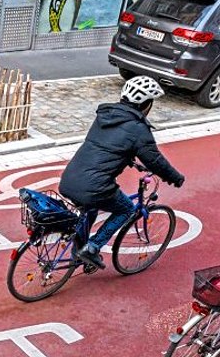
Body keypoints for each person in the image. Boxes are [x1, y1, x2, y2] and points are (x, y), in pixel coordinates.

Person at [59, 76, 186, 270]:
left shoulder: (104, 116)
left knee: (90, 209)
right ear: (146, 104)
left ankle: (77, 253)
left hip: (70, 178)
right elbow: (155, 161)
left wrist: (127, 158)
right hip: (95, 186)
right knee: (126, 209)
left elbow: (107, 145)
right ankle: (92, 248)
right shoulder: (138, 129)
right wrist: (175, 178)